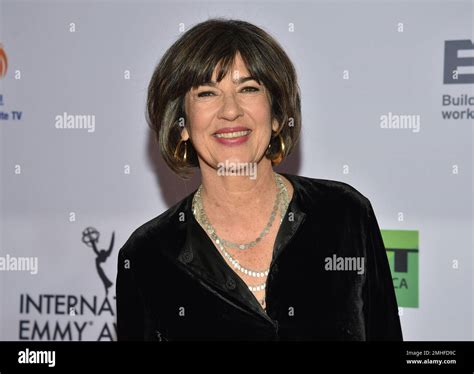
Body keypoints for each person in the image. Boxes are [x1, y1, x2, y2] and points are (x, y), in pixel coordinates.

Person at [116, 18, 403, 341]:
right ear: (181, 124)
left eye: (248, 88)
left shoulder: (344, 215)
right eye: (208, 93)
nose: (230, 111)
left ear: (278, 115)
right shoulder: (148, 256)